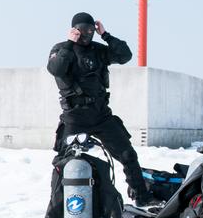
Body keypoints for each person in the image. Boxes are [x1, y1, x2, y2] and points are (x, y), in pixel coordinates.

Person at [46, 12, 151, 207]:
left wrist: (106, 35)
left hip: (101, 115)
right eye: (82, 30)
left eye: (90, 30)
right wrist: (70, 43)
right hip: (75, 117)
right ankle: (58, 208)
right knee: (64, 161)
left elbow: (125, 55)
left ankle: (142, 198)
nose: (87, 34)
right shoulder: (61, 49)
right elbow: (56, 69)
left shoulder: (98, 50)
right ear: (74, 29)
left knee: (128, 155)